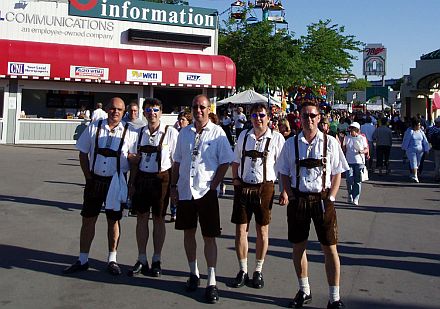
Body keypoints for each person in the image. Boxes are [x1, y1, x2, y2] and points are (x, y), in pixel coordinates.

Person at [276, 101, 349, 309]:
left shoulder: (331, 142)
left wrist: (332, 197)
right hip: (299, 199)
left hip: (323, 200)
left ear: (319, 118)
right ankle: (304, 289)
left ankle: (334, 297)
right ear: (299, 117)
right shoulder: (291, 144)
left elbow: (337, 172)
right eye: (305, 115)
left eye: (312, 115)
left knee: (330, 248)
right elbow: (283, 171)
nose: (309, 119)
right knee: (298, 247)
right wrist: (290, 194)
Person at [170, 94, 234, 304]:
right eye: (195, 107)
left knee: (209, 237)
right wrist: (173, 187)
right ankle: (193, 273)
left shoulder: (218, 133)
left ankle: (212, 281)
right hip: (186, 191)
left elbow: (226, 161)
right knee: (189, 233)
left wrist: (214, 185)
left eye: (202, 107)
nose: (198, 110)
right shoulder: (184, 133)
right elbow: (178, 161)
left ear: (209, 110)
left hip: (206, 193)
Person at [63, 97, 138, 276]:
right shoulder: (94, 127)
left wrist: (131, 183)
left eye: (119, 110)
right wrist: (88, 177)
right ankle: (82, 259)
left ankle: (112, 259)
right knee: (88, 219)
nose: (116, 112)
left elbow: (134, 161)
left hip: (116, 182)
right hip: (95, 180)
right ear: (106, 109)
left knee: (114, 220)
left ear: (124, 112)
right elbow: (82, 152)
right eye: (112, 108)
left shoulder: (130, 132)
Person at [230, 103, 285, 289]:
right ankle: (243, 270)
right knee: (240, 231)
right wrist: (235, 179)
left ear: (268, 117)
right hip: (244, 185)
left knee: (262, 231)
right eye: (254, 115)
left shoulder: (276, 138)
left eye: (261, 115)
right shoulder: (244, 136)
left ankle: (258, 270)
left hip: (265, 186)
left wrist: (284, 190)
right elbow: (236, 160)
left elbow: (283, 167)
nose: (258, 119)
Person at [127, 98, 179, 278]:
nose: (152, 114)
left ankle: (157, 259)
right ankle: (141, 258)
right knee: (141, 218)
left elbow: (175, 162)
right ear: (144, 113)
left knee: (158, 218)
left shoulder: (170, 132)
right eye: (148, 111)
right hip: (142, 177)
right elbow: (133, 160)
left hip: (161, 179)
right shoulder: (138, 132)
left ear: (161, 111)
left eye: (155, 110)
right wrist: (131, 184)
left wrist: (174, 187)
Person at [170, 111, 193, 221]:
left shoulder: (190, 134)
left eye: (183, 120)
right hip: (175, 164)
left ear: (188, 121)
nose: (180, 122)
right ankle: (173, 210)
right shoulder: (176, 132)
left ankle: (176, 209)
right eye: (179, 119)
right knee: (174, 188)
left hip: (185, 168)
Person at [342, 122, 369, 205]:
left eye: (353, 129)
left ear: (357, 130)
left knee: (357, 181)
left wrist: (362, 151)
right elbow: (344, 149)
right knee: (349, 179)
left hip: (359, 162)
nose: (351, 131)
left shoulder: (361, 138)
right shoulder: (347, 138)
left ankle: (356, 198)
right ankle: (350, 194)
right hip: (349, 162)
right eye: (351, 129)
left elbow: (366, 149)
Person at [402, 118, 430, 183]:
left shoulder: (421, 131)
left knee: (418, 163)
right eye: (418, 125)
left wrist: (427, 149)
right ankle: (415, 176)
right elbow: (406, 141)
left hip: (420, 150)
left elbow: (425, 141)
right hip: (411, 149)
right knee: (413, 162)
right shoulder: (409, 131)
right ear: (414, 125)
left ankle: (413, 174)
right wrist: (404, 150)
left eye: (419, 125)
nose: (419, 126)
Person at [426, 117, 440, 181]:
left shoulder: (432, 129)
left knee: (437, 162)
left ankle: (436, 175)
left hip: (436, 148)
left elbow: (429, 137)